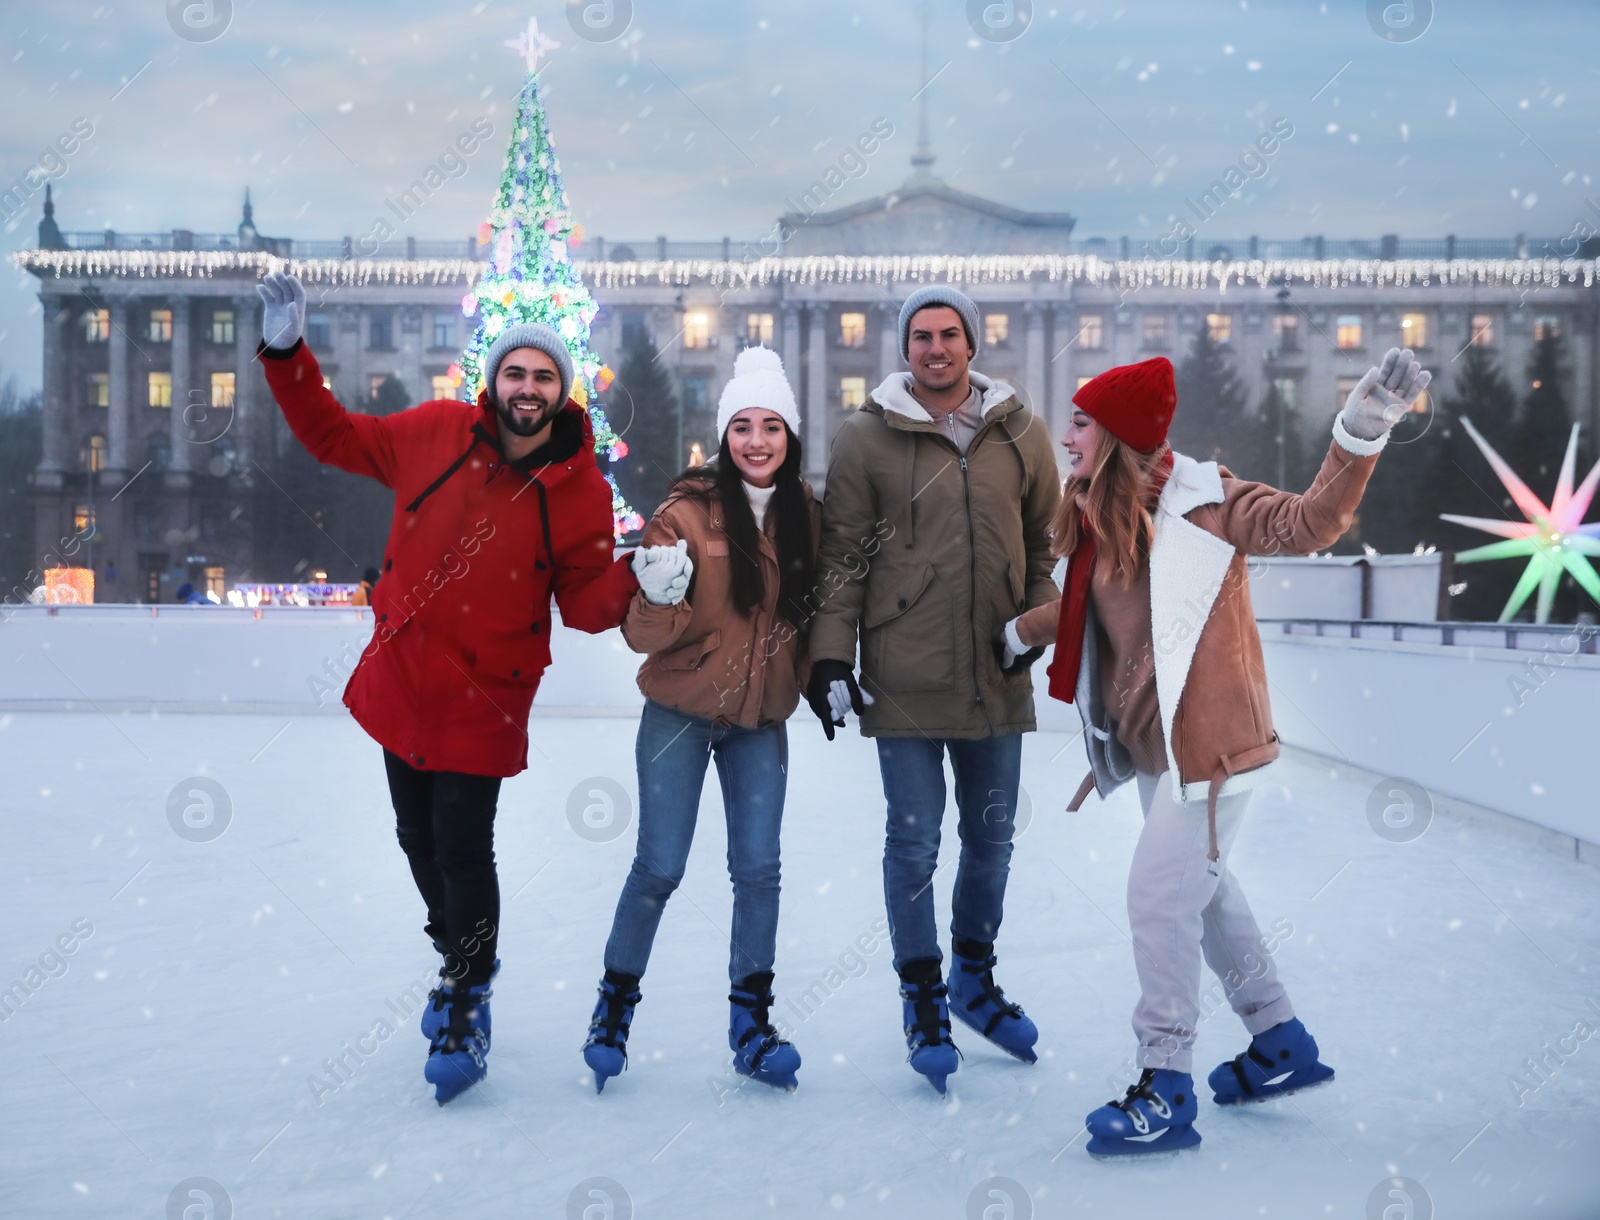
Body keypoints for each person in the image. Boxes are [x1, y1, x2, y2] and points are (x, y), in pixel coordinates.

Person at [253, 270, 693, 1104]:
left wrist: (644, 577)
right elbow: (333, 437)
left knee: (461, 844)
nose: (527, 389)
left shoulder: (580, 487)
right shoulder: (432, 432)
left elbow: (587, 601)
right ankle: (456, 956)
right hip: (404, 675)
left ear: (563, 392)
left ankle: (467, 987)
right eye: (516, 373)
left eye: (544, 377)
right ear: (494, 380)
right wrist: (286, 353)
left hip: (488, 693)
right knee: (414, 837)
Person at [1001, 348, 1430, 1156]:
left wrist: (1361, 434)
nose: (1066, 435)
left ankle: (1166, 1084)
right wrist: (1015, 634)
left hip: (1214, 749)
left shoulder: (1208, 502)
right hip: (1150, 746)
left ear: (1120, 434)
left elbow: (1309, 525)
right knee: (1205, 891)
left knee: (1158, 899)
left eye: (1082, 423)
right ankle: (1279, 1041)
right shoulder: (1096, 511)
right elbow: (1076, 601)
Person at [807, 286, 1060, 1094]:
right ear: (905, 347)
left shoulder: (1021, 430)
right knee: (914, 844)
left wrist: (1033, 625)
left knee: (991, 841)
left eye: (950, 335)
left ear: (973, 345)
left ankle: (973, 981)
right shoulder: (865, 437)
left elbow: (1043, 545)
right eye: (921, 336)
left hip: (995, 671)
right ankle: (923, 995)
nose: (936, 348)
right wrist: (829, 659)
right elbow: (842, 556)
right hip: (904, 678)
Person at [582, 346, 819, 1094]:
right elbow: (641, 639)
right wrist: (655, 596)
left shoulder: (808, 518)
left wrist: (832, 678)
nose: (756, 440)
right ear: (725, 436)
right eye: (743, 426)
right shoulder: (683, 514)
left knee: (759, 872)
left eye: (771, 426)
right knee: (660, 866)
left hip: (760, 724)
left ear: (790, 436)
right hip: (679, 716)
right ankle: (613, 1011)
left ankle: (752, 1025)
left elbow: (818, 621)